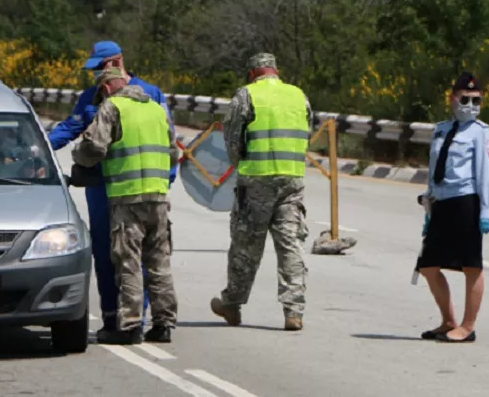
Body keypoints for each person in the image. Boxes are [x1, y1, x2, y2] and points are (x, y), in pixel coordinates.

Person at [48, 40, 178, 337]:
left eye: (100, 68)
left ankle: (134, 321)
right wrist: (39, 147)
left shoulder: (150, 96)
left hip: (128, 190)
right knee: (110, 255)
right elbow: (70, 127)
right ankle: (114, 317)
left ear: (117, 61)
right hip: (103, 190)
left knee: (135, 258)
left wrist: (166, 178)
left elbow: (166, 144)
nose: (95, 76)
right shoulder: (90, 97)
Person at [209, 53, 312, 331]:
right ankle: (294, 311)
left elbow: (232, 140)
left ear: (252, 73)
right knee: (290, 242)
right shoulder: (298, 95)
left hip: (256, 180)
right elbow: (308, 134)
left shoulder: (246, 95)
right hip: (291, 178)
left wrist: (240, 163)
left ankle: (232, 303)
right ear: (276, 71)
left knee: (246, 245)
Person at [417, 71, 489, 343]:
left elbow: (485, 174)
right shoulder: (441, 129)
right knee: (428, 265)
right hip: (441, 203)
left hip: (466, 202)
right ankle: (448, 321)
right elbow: (432, 170)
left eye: (477, 100)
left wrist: (487, 211)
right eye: (466, 99)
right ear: (453, 98)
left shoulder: (480, 133)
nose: (471, 106)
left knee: (471, 266)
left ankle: (468, 326)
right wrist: (429, 205)